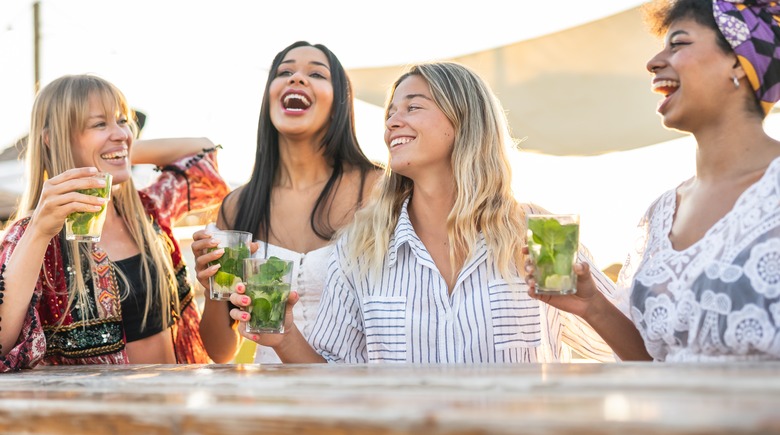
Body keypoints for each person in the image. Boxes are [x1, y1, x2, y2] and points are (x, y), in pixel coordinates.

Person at [228, 61, 619, 364]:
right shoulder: (360, 248)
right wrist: (285, 338)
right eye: (390, 113)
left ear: (465, 119)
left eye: (413, 107)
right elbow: (332, 376)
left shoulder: (537, 232)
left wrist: (594, 306)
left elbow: (629, 347)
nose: (392, 122)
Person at [527, 0, 780, 362]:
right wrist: (591, 305)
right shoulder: (661, 213)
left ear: (738, 62)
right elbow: (657, 362)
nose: (653, 62)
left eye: (678, 43)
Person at [0, 74, 230, 372]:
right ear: (52, 138)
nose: (122, 132)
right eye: (99, 124)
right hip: (95, 416)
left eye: (123, 121)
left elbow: (204, 154)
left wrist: (118, 151)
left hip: (174, 411)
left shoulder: (150, 210)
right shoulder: (29, 236)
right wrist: (40, 230)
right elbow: (2, 344)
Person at [191, 41, 382, 364]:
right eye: (285, 72)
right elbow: (221, 352)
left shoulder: (378, 189)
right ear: (270, 97)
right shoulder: (238, 205)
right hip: (272, 400)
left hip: (360, 396)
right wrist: (212, 287)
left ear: (339, 103)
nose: (297, 79)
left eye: (317, 74)